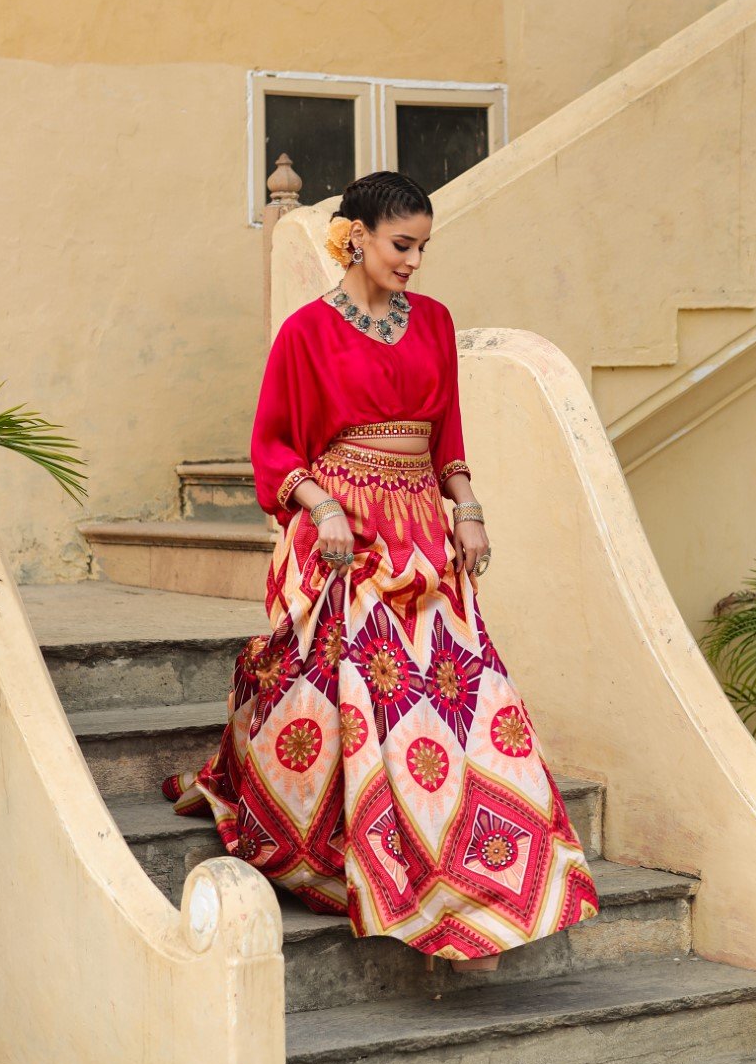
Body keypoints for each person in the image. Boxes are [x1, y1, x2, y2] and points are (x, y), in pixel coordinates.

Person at [162, 170, 599, 970]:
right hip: (345, 534)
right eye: (403, 245)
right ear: (355, 235)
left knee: (467, 702)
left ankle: (487, 873)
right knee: (365, 700)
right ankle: (366, 859)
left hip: (423, 537)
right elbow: (276, 449)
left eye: (424, 247)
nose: (414, 262)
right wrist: (324, 509)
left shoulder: (433, 322)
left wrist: (467, 509)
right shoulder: (306, 334)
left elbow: (448, 437)